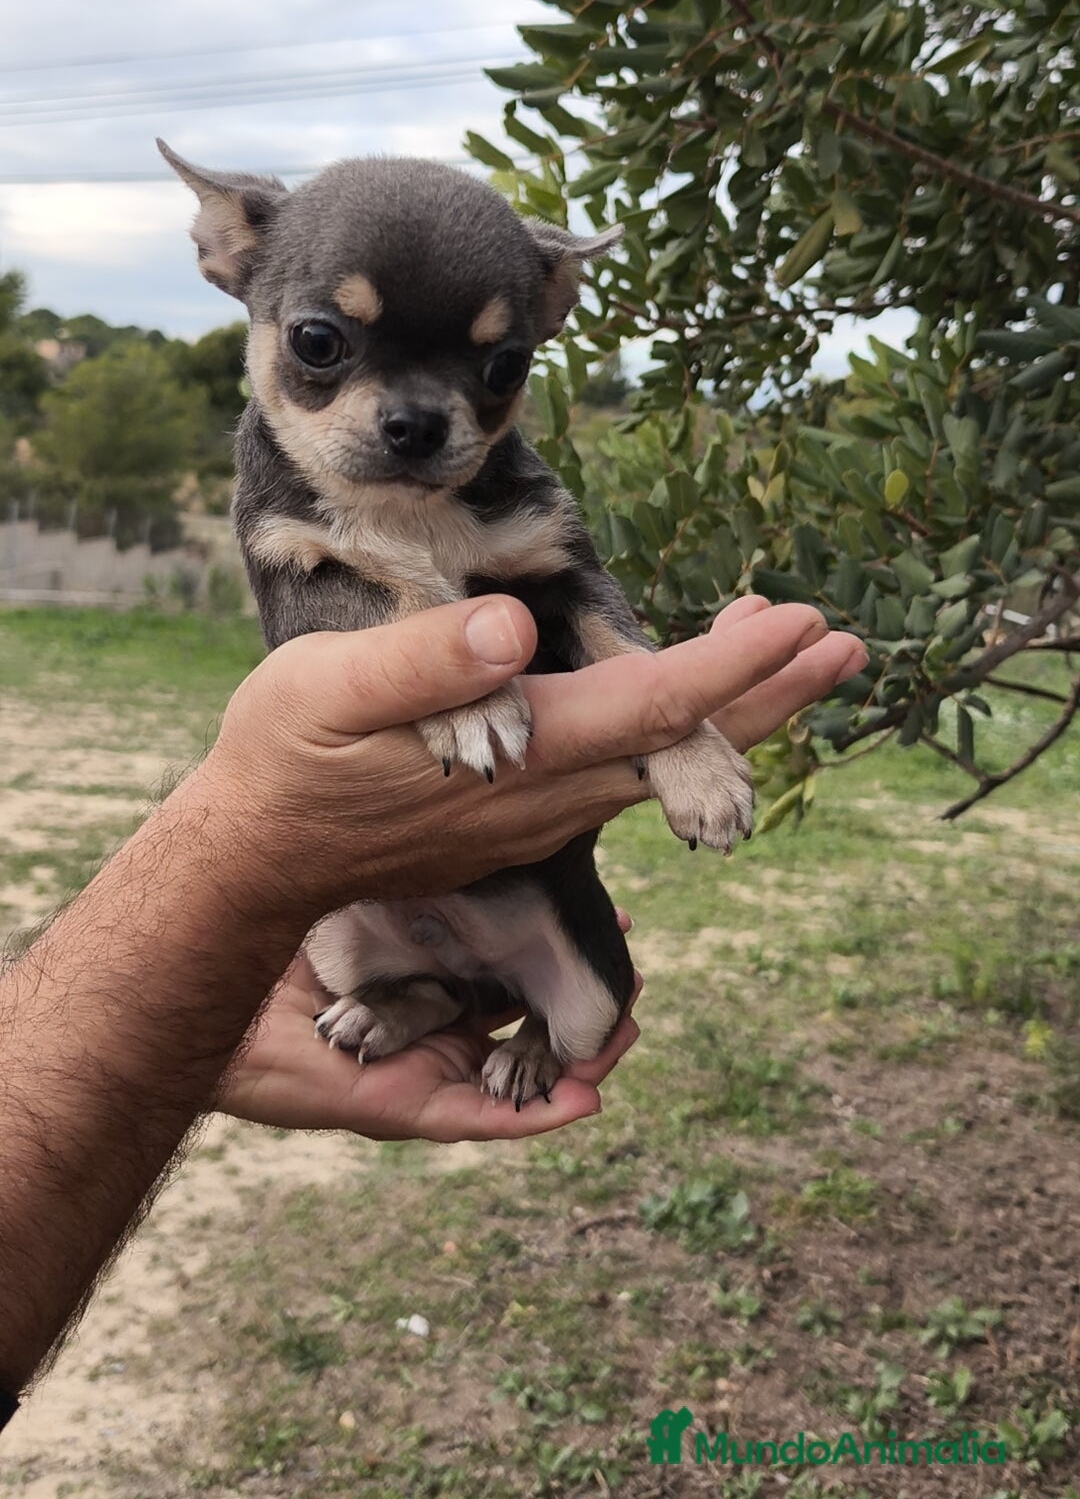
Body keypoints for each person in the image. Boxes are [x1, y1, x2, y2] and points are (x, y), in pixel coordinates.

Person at [0, 591, 865, 1421]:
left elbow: (576, 599)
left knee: (582, 1014)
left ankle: (527, 1024)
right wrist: (263, 830)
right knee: (341, 950)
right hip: (387, 918)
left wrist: (671, 724)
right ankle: (411, 995)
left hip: (531, 911)